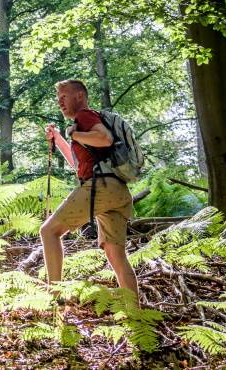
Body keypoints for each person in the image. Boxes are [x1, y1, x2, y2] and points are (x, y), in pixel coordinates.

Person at [41, 79, 138, 296]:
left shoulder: (85, 116)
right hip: (117, 191)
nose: (60, 102)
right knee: (117, 256)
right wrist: (59, 138)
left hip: (100, 187)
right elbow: (78, 164)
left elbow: (104, 138)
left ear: (80, 97)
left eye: (64, 97)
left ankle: (55, 299)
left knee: (49, 231)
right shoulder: (82, 126)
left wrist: (73, 134)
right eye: (58, 99)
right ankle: (137, 316)